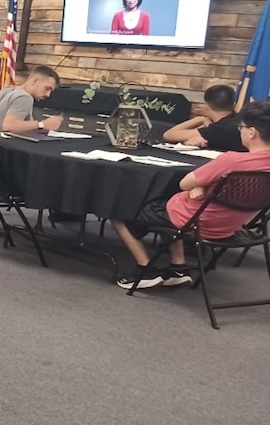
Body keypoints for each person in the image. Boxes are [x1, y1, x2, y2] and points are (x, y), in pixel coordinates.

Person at [113, 101, 270, 290]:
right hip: (230, 227)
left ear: (252, 132)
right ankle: (178, 268)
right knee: (170, 205)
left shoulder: (232, 160)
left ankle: (145, 269)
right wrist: (202, 186)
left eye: (242, 127)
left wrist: (197, 185)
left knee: (121, 209)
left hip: (197, 222)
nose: (240, 131)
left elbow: (184, 183)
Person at [0, 65, 63, 151]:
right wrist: (42, 124)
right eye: (47, 88)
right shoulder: (24, 98)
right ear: (35, 81)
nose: (48, 94)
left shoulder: (7, 90)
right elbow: (8, 125)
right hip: (2, 156)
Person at [162, 84, 244, 152]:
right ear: (234, 105)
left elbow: (169, 135)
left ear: (206, 106)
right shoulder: (241, 120)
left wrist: (199, 119)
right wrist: (187, 141)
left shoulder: (219, 129)